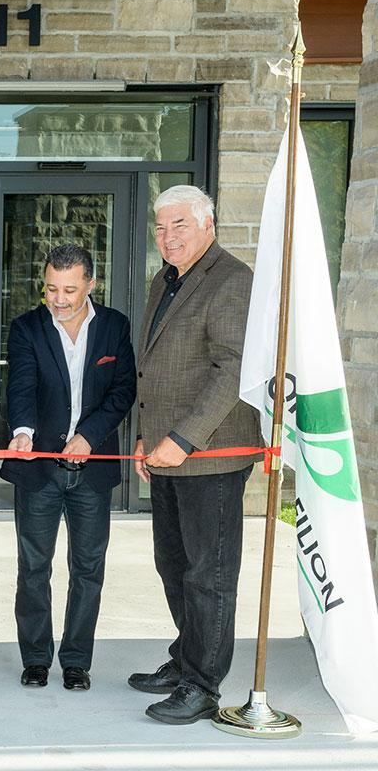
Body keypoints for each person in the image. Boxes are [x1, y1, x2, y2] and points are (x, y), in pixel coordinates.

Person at [129, 185, 264, 724]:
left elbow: (231, 369)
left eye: (179, 224)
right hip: (166, 453)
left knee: (208, 573)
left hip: (210, 455)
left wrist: (183, 437)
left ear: (208, 224)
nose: (168, 237)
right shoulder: (165, 279)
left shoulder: (232, 280)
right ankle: (187, 657)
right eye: (161, 227)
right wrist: (148, 435)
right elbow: (156, 369)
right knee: (174, 565)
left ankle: (204, 685)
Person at [0, 244, 136, 692]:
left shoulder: (114, 326)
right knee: (34, 567)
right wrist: (22, 431)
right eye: (52, 288)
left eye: (70, 290)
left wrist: (89, 436)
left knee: (88, 567)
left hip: (92, 470)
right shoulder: (26, 327)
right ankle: (36, 659)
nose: (58, 299)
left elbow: (121, 392)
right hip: (38, 469)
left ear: (91, 285)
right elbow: (20, 386)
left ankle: (76, 661)